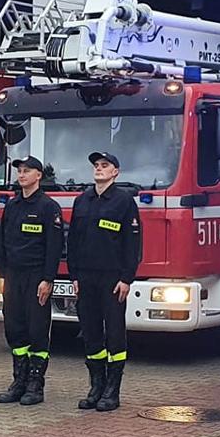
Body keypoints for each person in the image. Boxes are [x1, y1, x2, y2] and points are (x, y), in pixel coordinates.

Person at [67, 151, 144, 412]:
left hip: (112, 278)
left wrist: (126, 278)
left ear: (115, 172)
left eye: (104, 165)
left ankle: (113, 389)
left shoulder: (123, 202)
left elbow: (132, 243)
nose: (99, 169)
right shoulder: (83, 201)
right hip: (86, 277)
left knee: (113, 332)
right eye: (96, 165)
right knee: (90, 332)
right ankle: (96, 385)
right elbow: (73, 241)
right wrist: (74, 275)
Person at [0, 156, 64, 405]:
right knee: (14, 328)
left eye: (27, 171)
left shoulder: (48, 207)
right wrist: (0, 273)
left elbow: (54, 247)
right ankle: (19, 380)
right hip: (13, 275)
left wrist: (48, 279)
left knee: (36, 329)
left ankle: (35, 384)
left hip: (36, 276)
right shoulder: (12, 206)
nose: (21, 175)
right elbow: (3, 241)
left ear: (39, 176)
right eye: (19, 171)